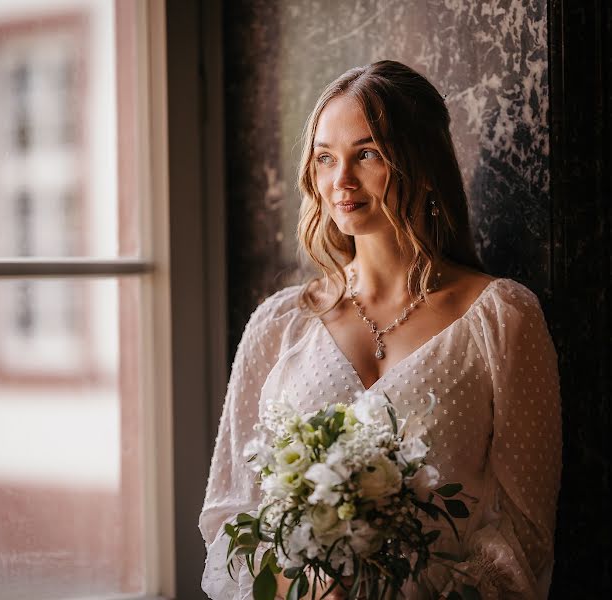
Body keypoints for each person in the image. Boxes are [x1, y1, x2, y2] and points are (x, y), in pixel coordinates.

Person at [199, 60, 562, 599]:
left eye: (366, 154)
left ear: (421, 163)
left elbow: (527, 531)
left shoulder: (502, 316)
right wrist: (302, 587)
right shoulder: (280, 325)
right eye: (325, 158)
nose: (340, 180)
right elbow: (232, 512)